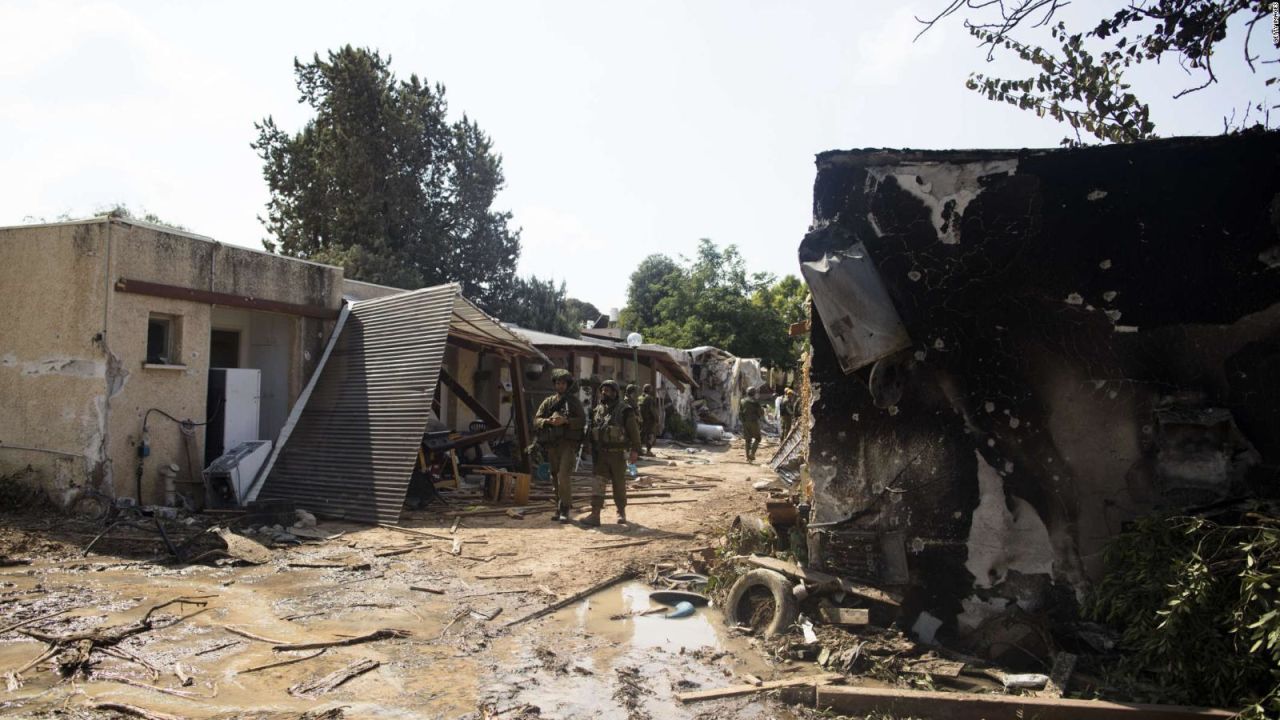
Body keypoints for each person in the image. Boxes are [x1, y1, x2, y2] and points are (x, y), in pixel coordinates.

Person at [532, 369, 587, 523]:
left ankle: (565, 508)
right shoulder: (548, 402)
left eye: (563, 383)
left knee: (564, 476)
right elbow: (536, 420)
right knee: (555, 476)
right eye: (557, 383)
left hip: (568, 445)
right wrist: (548, 421)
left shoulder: (573, 402)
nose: (560, 385)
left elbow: (582, 421)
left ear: (567, 385)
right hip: (552, 445)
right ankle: (558, 506)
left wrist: (566, 421)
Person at [586, 379, 640, 526]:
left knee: (619, 484)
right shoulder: (598, 410)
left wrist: (635, 451)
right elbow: (591, 431)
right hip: (601, 454)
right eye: (603, 390)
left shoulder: (625, 410)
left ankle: (621, 512)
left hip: (617, 454)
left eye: (608, 390)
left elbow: (634, 432)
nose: (604, 393)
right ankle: (595, 514)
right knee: (598, 483)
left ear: (615, 393)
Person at [740, 386, 764, 462]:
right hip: (754, 422)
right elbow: (760, 412)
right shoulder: (755, 402)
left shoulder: (742, 401)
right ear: (754, 393)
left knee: (747, 440)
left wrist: (743, 421)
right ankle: (752, 453)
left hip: (745, 422)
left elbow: (740, 413)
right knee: (758, 438)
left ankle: (747, 457)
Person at [637, 383, 658, 456]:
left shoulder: (639, 398)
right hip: (649, 420)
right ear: (649, 390)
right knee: (651, 435)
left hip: (641, 420)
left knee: (641, 435)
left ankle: (637, 450)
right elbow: (652, 410)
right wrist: (656, 418)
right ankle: (648, 451)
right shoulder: (649, 398)